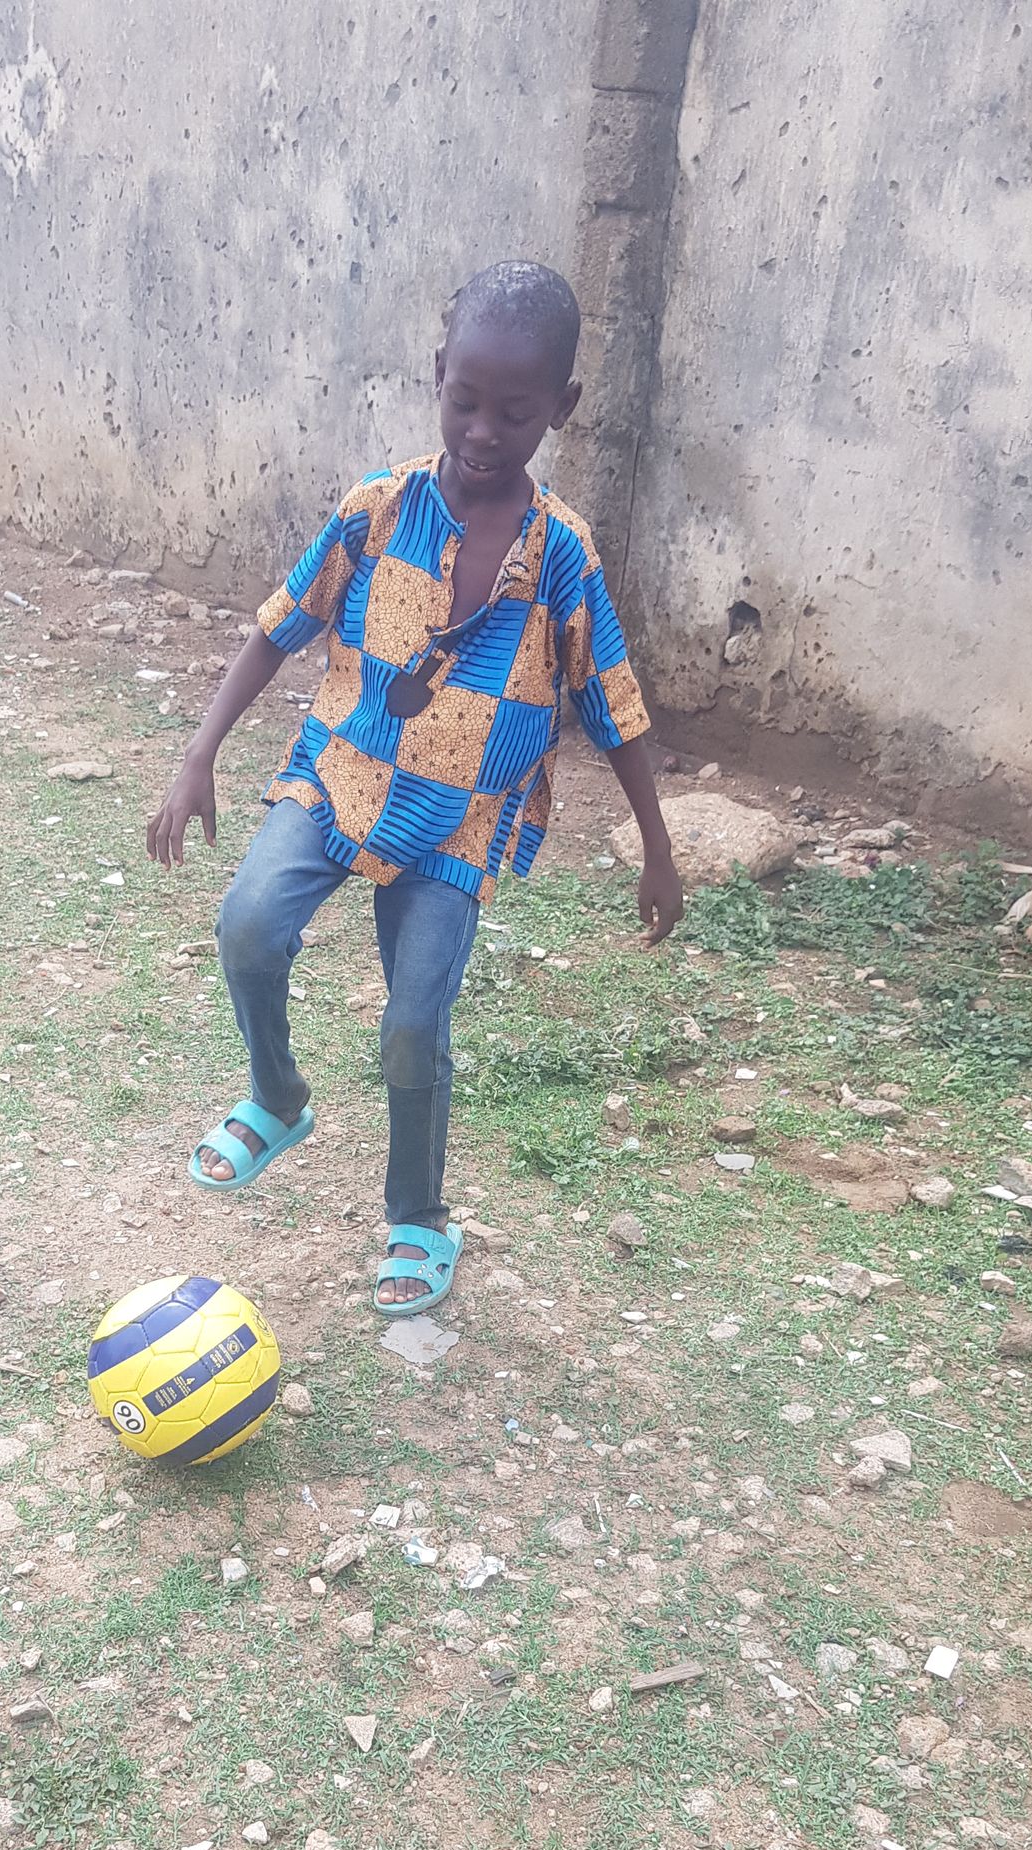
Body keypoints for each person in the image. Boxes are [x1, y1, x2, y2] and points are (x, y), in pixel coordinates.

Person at [147, 260, 683, 1310]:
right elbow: (278, 628)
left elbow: (613, 705)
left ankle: (417, 1216)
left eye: (515, 414)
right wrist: (198, 753)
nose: (483, 431)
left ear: (563, 407)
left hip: (456, 825)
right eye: (465, 400)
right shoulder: (377, 510)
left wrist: (658, 850)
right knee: (248, 925)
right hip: (338, 776)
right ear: (438, 374)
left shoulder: (563, 556)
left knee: (412, 1026)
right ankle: (276, 1096)